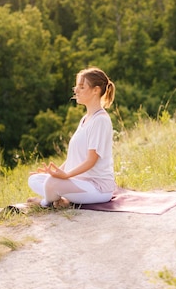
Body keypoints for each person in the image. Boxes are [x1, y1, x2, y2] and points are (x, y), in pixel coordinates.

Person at [27, 67, 116, 208]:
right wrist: (57, 172)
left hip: (97, 188)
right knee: (34, 179)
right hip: (79, 182)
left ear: (96, 90)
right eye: (77, 87)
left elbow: (91, 161)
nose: (76, 91)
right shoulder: (85, 119)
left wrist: (66, 175)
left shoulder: (100, 120)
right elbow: (74, 158)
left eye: (82, 87)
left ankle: (45, 202)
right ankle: (58, 199)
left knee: (51, 183)